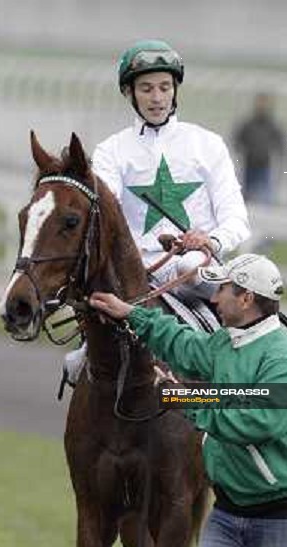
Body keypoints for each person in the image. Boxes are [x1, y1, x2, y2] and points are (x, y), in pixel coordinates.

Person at [89, 253, 287, 547]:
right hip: (228, 514)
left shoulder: (284, 359)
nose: (213, 299)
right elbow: (185, 345)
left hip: (286, 521)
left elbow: (259, 421)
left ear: (246, 298)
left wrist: (185, 397)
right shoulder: (226, 341)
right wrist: (132, 314)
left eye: (222, 289)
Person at [64, 40, 251, 383]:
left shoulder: (207, 144)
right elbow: (102, 214)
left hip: (196, 268)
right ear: (130, 93)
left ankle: (236, 371)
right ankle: (91, 353)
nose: (157, 97)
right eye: (146, 88)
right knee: (82, 358)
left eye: (165, 87)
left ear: (175, 90)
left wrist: (209, 240)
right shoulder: (112, 150)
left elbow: (237, 220)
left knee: (192, 266)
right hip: (136, 273)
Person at [234, 93, 287, 205]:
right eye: (259, 103)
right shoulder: (249, 124)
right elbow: (238, 140)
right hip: (249, 165)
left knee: (265, 197)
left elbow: (280, 143)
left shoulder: (271, 125)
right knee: (247, 196)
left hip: (265, 166)